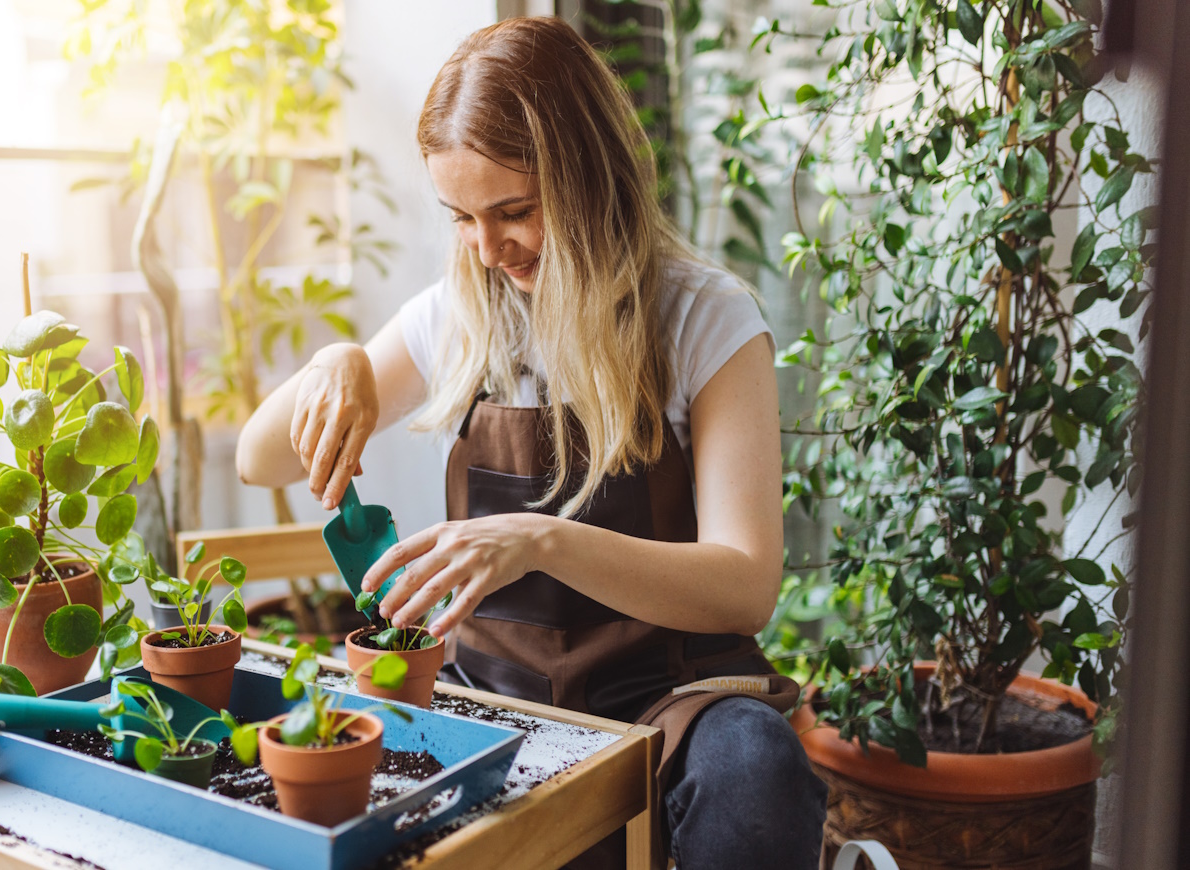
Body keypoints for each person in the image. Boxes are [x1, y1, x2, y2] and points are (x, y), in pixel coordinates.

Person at [236, 16, 827, 869]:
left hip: (672, 698)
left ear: (590, 178)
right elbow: (262, 457)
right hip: (494, 700)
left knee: (755, 772)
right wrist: (339, 362)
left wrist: (542, 543)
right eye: (462, 217)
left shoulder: (706, 319)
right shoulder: (461, 314)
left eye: (514, 211)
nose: (486, 246)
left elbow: (745, 587)